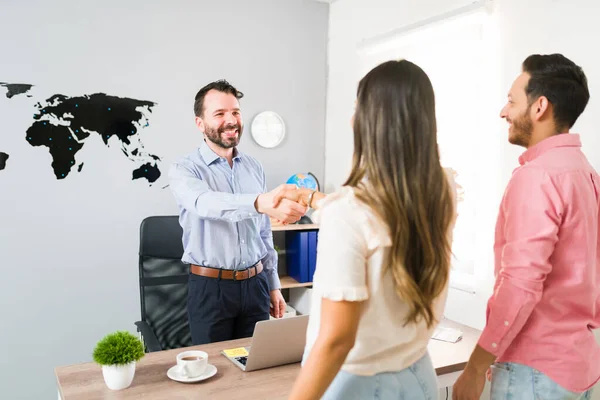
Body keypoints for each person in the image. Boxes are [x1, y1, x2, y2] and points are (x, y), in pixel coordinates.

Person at [284, 60, 457, 400]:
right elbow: (385, 210)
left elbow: (337, 340)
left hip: (358, 383)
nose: (352, 119)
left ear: (373, 121)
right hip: (418, 375)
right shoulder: (442, 187)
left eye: (356, 108)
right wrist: (313, 198)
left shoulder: (348, 213)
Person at [452, 54, 598, 400]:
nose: (504, 111)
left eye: (512, 100)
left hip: (536, 373)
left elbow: (520, 284)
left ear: (539, 107)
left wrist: (475, 367)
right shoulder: (586, 175)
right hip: (580, 367)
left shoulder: (537, 177)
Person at [168, 79, 307, 345]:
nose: (231, 120)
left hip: (256, 285)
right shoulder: (184, 169)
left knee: (255, 370)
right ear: (200, 124)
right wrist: (258, 203)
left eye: (235, 112)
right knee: (214, 374)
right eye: (220, 114)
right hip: (211, 289)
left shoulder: (253, 167)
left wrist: (274, 284)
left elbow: (263, 233)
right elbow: (205, 203)